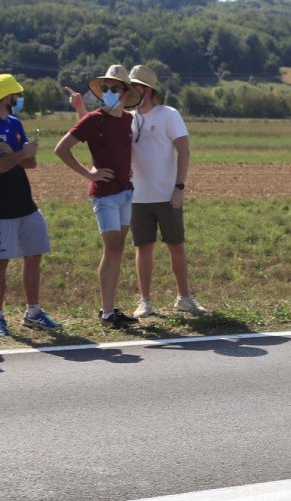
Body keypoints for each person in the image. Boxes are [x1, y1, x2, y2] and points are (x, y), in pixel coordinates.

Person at [68, 65, 205, 318]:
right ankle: (145, 301)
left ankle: (184, 298)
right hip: (135, 196)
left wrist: (179, 187)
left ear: (149, 90)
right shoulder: (127, 118)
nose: (132, 91)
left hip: (167, 194)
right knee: (143, 248)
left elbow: (184, 151)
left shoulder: (169, 114)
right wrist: (80, 110)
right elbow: (96, 133)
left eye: (137, 86)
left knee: (176, 246)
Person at [0, 74, 62, 337]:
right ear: (6, 97)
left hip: (25, 203)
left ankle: (33, 312)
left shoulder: (14, 123)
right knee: (0, 261)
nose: (20, 99)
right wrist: (20, 154)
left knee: (34, 254)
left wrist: (18, 155)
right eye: (17, 95)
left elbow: (30, 164)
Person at [54, 65, 142, 329]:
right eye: (106, 89)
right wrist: (88, 175)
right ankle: (106, 313)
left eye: (115, 89)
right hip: (105, 195)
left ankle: (110, 307)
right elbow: (61, 149)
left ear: (126, 93)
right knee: (111, 249)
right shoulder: (94, 119)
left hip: (127, 191)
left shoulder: (128, 119)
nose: (109, 93)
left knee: (118, 250)